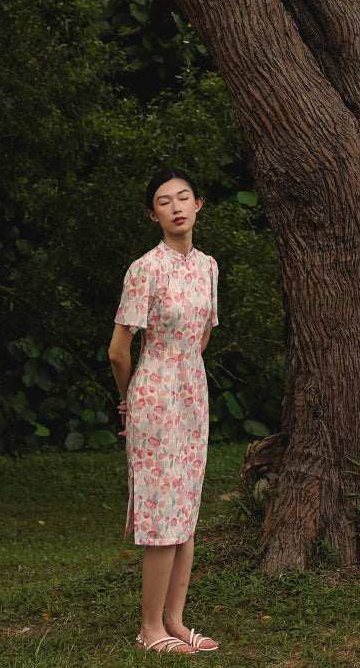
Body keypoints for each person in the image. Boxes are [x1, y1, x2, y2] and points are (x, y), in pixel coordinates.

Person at [109, 168, 220, 655]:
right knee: (161, 513)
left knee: (187, 509)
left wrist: (186, 367)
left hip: (193, 393)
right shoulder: (144, 269)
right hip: (154, 393)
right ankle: (149, 628)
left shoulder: (208, 266)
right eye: (163, 201)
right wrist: (130, 398)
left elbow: (205, 329)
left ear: (199, 205)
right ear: (152, 214)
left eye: (183, 197)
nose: (175, 206)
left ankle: (175, 620)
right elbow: (118, 350)